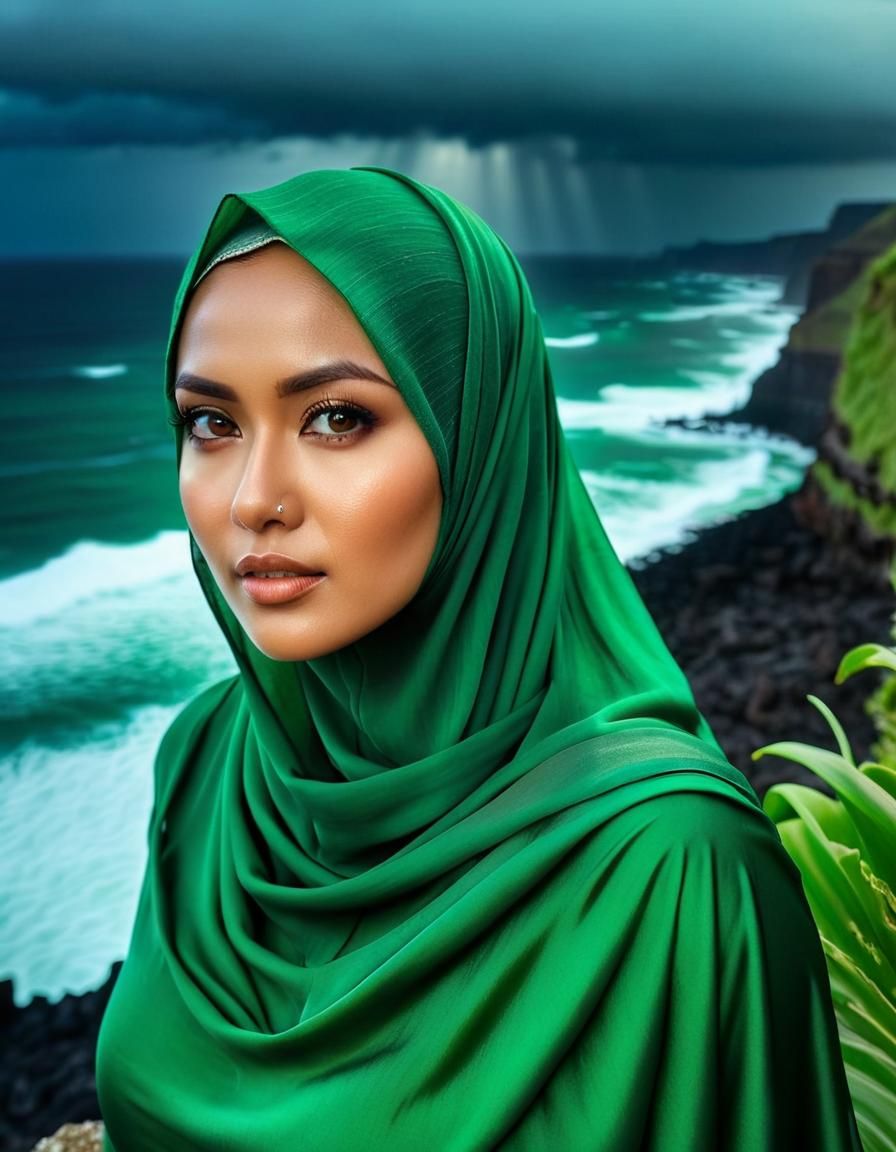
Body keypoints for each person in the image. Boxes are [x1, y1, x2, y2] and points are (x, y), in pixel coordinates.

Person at [94, 166, 863, 1151]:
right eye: (211, 422)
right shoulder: (204, 764)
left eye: (336, 417)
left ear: (479, 437)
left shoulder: (674, 871)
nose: (252, 498)